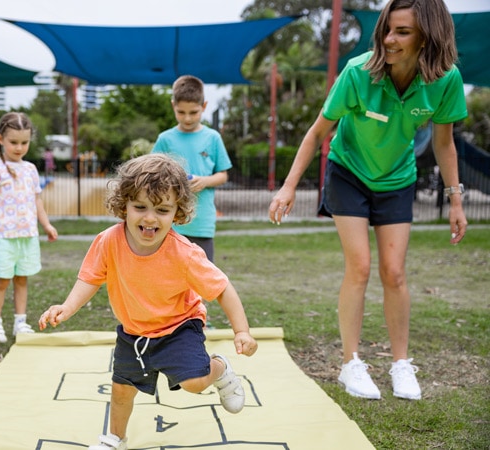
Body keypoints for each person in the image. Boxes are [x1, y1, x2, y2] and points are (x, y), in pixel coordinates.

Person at [269, 0, 467, 401]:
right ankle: (351, 363)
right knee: (359, 266)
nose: (390, 40)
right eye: (388, 29)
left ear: (429, 36)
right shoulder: (360, 72)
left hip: (397, 179)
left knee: (394, 273)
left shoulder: (445, 80)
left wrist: (456, 199)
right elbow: (316, 132)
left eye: (403, 32)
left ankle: (400, 365)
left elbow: (444, 144)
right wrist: (288, 186)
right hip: (348, 174)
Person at [39, 153, 257, 450]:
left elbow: (222, 289)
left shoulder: (184, 253)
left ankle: (220, 369)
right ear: (123, 205)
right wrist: (67, 307)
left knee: (193, 383)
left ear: (177, 212)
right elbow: (90, 278)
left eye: (162, 209)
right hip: (134, 331)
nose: (150, 218)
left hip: (180, 326)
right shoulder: (108, 241)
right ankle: (114, 438)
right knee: (121, 390)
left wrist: (241, 331)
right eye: (140, 206)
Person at [0, 112, 58, 344]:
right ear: (0, 139)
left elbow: (37, 201)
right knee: (2, 281)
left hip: (28, 236)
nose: (19, 147)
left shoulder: (30, 169)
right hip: (3, 237)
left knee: (22, 279)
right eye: (13, 142)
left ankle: (20, 322)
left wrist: (46, 224)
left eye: (24, 142)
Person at [152, 75, 232, 262]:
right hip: (169, 224)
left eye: (194, 112)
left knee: (202, 282)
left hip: (201, 224)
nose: (187, 118)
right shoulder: (165, 139)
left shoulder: (213, 138)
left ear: (204, 106)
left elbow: (223, 175)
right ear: (173, 106)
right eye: (181, 112)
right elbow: (153, 174)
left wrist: (204, 181)